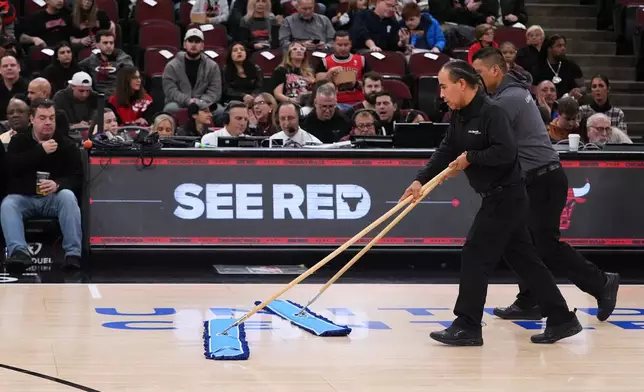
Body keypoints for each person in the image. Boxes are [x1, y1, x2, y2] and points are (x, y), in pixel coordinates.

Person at [399, 59, 582, 346]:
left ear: (462, 84)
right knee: (525, 261)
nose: (442, 94)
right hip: (498, 196)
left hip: (506, 196)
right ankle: (562, 319)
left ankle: (468, 325)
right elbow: (446, 149)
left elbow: (506, 153)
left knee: (475, 254)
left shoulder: (492, 113)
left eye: (445, 86)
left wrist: (471, 158)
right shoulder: (459, 114)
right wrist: (420, 179)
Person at [472, 47, 619, 322]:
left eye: (478, 72)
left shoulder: (508, 99)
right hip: (535, 178)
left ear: (495, 70)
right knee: (519, 241)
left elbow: (485, 136)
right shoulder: (511, 92)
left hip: (543, 178)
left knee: (544, 244)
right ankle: (530, 299)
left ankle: (601, 283)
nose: (476, 78)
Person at [1, 99, 83, 274]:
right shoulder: (19, 141)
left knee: (67, 196)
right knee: (8, 203)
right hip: (25, 198)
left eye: (51, 118)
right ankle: (19, 253)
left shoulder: (66, 144)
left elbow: (77, 177)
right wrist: (40, 151)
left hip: (53, 198)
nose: (48, 122)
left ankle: (73, 254)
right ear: (31, 119)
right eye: (43, 118)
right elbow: (11, 170)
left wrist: (58, 184)